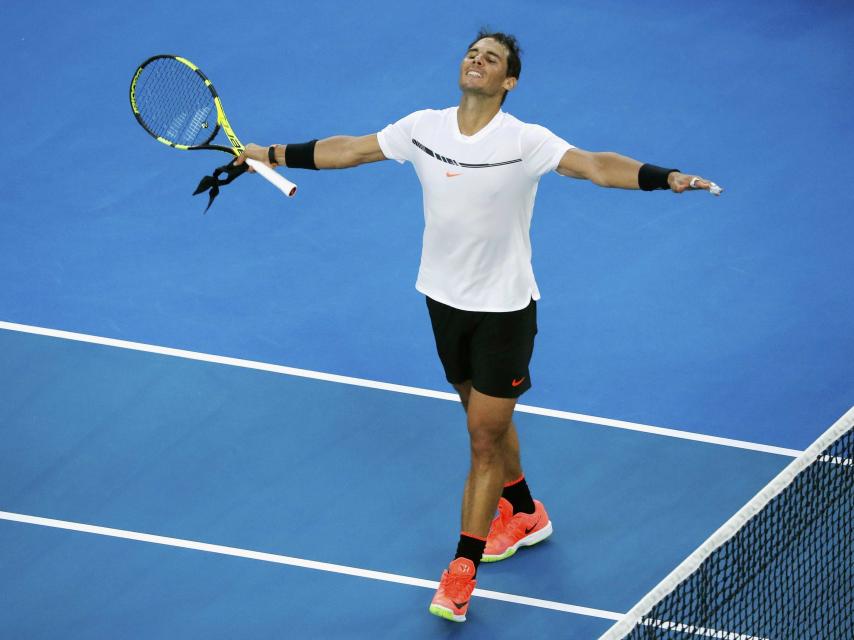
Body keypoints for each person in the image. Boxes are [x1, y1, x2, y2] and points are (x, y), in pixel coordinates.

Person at [237, 29, 721, 623]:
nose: (477, 60)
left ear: (508, 81)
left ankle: (461, 571)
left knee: (482, 439)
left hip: (504, 311)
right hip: (441, 300)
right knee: (477, 417)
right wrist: (273, 153)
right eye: (473, 52)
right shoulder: (423, 128)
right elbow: (353, 149)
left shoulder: (525, 141)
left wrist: (662, 175)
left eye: (491, 58)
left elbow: (595, 165)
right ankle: (524, 511)